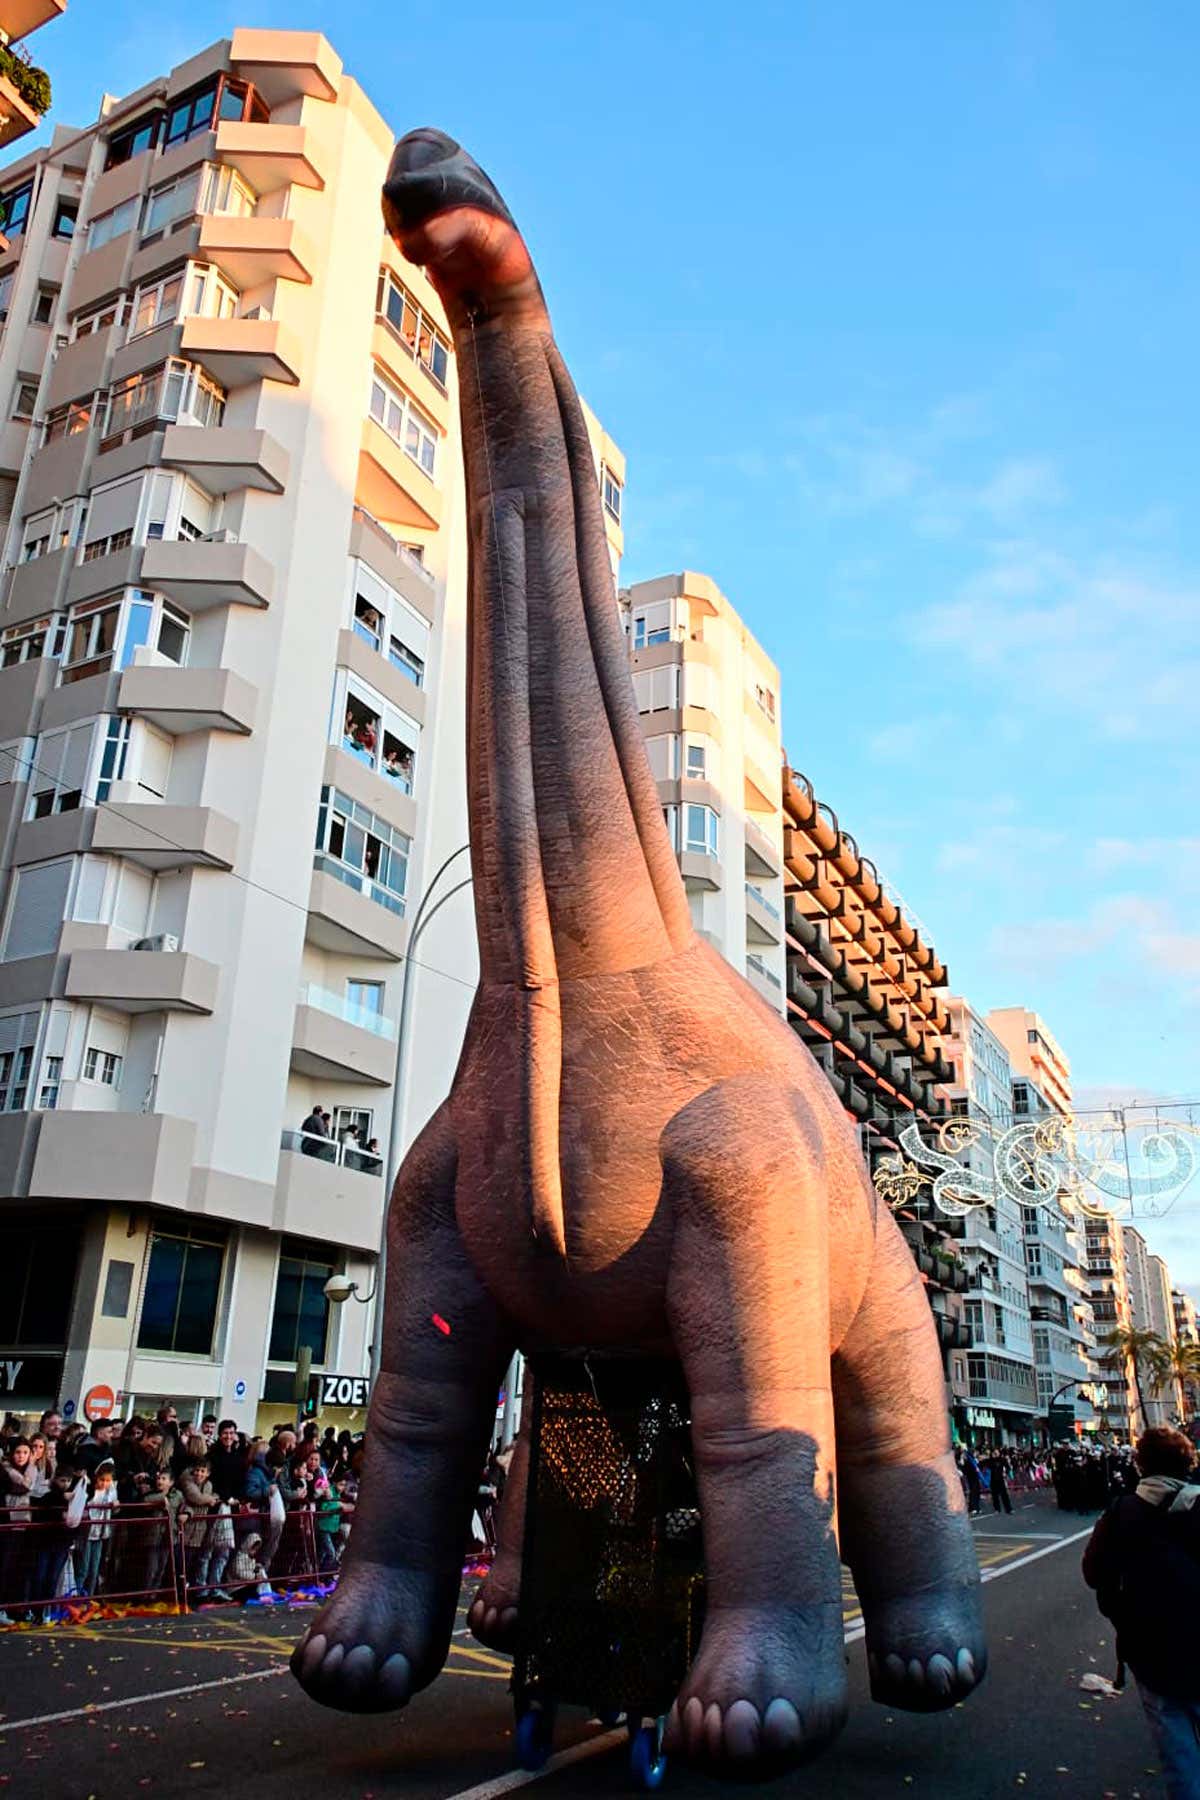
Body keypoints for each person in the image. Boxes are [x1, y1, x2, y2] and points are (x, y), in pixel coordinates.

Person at [1083, 1426, 1200, 1798]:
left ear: (1140, 1465)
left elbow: (1094, 1573)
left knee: (1178, 1751)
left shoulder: (1122, 1513)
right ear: (1188, 1463)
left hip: (1151, 1648)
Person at [78, 1460, 117, 1596]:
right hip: (87, 1534)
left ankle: (88, 1598)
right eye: (102, 1480)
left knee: (94, 1569)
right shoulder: (88, 1490)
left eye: (108, 1481)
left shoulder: (110, 1492)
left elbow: (115, 1507)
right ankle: (76, 1597)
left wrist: (115, 1504)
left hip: (100, 1534)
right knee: (83, 1568)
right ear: (96, 1477)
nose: (104, 1484)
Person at [986, 1449, 1013, 1516]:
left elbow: (1008, 1467)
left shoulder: (1002, 1460)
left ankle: (1009, 1509)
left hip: (1000, 1479)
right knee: (995, 1496)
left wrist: (1005, 1473)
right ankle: (997, 1509)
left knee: (1004, 1495)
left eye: (997, 1452)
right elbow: (985, 1464)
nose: (995, 1453)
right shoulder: (990, 1460)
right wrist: (989, 1457)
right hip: (993, 1480)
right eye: (994, 1452)